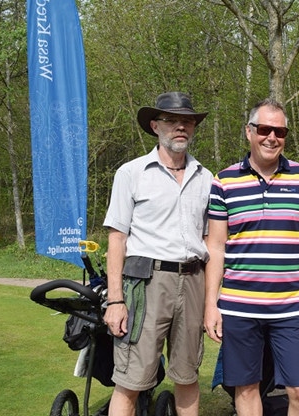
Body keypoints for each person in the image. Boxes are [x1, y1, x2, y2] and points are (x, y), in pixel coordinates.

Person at [204, 98, 299, 416]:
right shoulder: (224, 181)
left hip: (290, 307)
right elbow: (215, 246)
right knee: (247, 388)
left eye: (280, 131)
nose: (272, 137)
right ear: (249, 132)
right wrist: (211, 304)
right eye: (264, 129)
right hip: (238, 306)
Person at [103, 92, 212, 416]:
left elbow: (211, 240)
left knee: (188, 376)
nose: (181, 126)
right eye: (172, 120)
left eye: (188, 121)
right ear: (155, 125)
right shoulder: (131, 173)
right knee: (132, 381)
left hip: (194, 280)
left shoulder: (206, 178)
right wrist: (116, 300)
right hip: (146, 283)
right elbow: (116, 240)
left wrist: (211, 301)